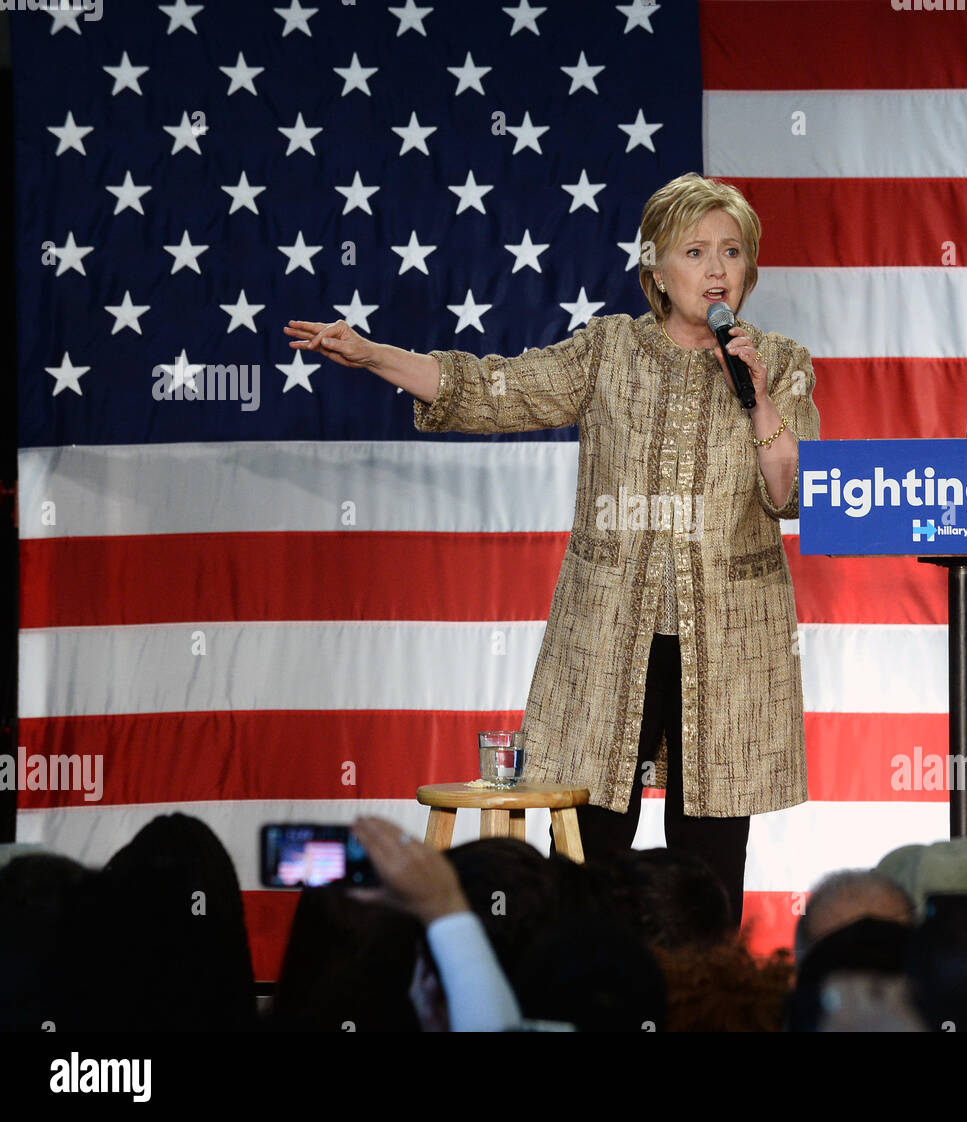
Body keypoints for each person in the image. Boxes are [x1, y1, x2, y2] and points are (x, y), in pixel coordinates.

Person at [285, 172, 821, 927]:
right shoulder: (608, 350)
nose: (715, 268)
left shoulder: (782, 362)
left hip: (730, 650)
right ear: (657, 272)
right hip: (607, 647)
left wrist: (761, 396)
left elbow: (793, 494)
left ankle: (703, 1004)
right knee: (591, 863)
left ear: (750, 270)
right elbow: (494, 389)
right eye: (694, 251)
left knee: (706, 877)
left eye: (731, 252)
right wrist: (376, 355)